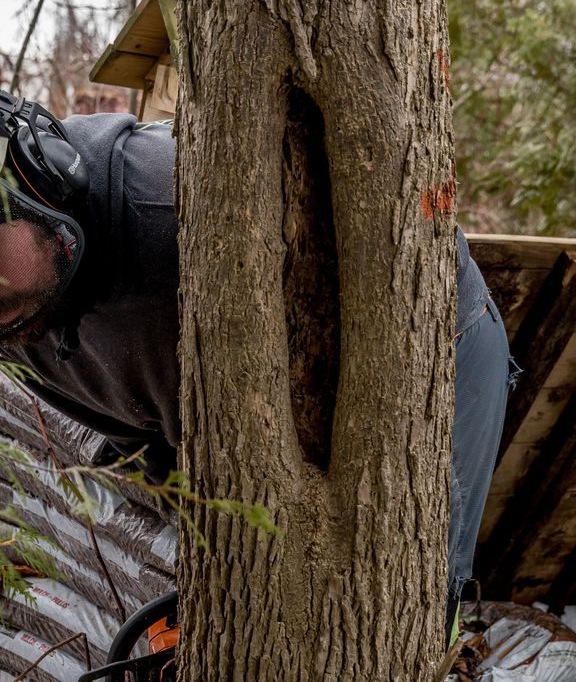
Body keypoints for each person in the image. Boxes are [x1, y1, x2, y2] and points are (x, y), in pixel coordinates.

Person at [0, 90, 513, 643]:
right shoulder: (22, 307)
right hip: (242, 404)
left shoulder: (184, 215)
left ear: (39, 177)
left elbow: (294, 429)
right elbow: (145, 437)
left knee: (397, 602)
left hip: (418, 343)